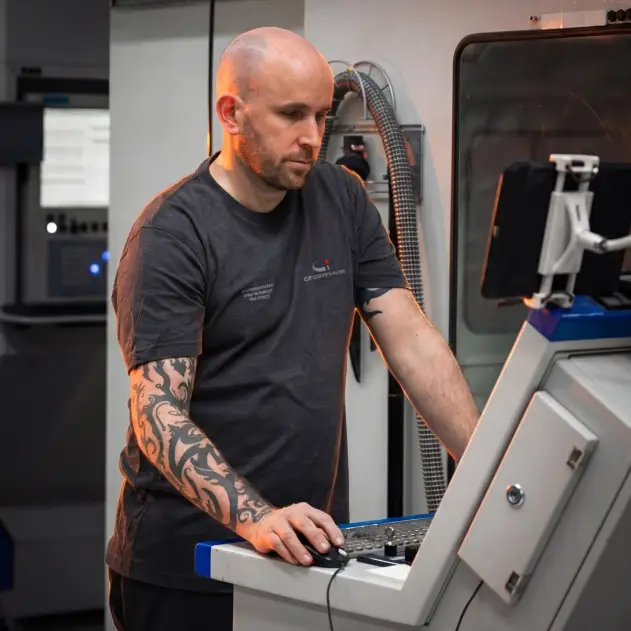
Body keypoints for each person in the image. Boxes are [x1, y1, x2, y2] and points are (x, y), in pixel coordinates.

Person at [106, 26, 479, 631]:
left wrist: (484, 464)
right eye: (291, 114)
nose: (312, 137)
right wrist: (256, 518)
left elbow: (411, 340)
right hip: (185, 568)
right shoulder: (172, 236)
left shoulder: (342, 200)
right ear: (231, 113)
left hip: (305, 554)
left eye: (321, 115)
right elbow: (157, 415)